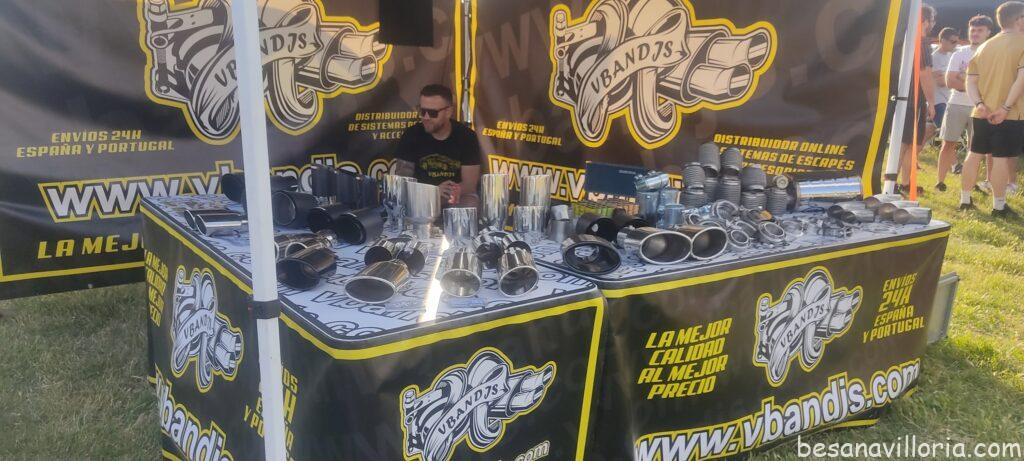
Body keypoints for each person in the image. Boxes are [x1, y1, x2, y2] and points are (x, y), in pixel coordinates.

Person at [961, 1, 1024, 216]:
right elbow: (1021, 80)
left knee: (974, 154)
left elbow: (970, 81)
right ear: (1019, 19)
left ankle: (965, 199)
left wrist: (979, 105)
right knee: (1000, 158)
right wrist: (1005, 107)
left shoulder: (984, 46)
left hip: (982, 112)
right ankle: (998, 206)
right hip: (1010, 113)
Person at [394, 84, 481, 207]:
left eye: (432, 113)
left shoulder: (467, 136)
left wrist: (448, 192)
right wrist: (433, 192)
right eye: (422, 111)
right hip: (421, 199)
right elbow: (402, 181)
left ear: (448, 112)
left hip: (454, 198)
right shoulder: (411, 134)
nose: (426, 117)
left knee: (470, 202)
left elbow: (469, 185)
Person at [936, 15, 995, 191]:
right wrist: (975, 86)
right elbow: (950, 81)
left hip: (981, 108)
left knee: (975, 149)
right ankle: (940, 182)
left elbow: (992, 83)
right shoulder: (959, 53)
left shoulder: (992, 53)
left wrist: (964, 79)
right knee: (948, 143)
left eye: (980, 30)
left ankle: (972, 184)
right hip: (956, 104)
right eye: (973, 30)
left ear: (988, 32)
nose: (975, 33)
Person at [897, 4, 938, 196]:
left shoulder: (904, 38)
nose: (933, 24)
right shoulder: (921, 41)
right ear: (926, 21)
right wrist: (931, 102)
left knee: (908, 143)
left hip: (902, 97)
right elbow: (925, 74)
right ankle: (894, 183)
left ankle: (903, 183)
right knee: (906, 142)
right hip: (914, 99)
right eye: (932, 20)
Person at [931, 27, 960, 130]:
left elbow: (946, 79)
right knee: (944, 129)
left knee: (936, 129)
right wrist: (957, 75)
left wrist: (950, 76)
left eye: (957, 42)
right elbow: (941, 82)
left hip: (947, 99)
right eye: (953, 41)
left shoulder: (950, 55)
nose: (955, 44)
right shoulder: (934, 57)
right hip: (938, 101)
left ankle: (917, 140)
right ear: (943, 40)